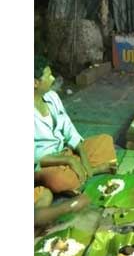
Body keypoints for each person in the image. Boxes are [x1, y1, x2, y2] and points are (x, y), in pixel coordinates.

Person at [34, 55, 118, 195]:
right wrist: (68, 160)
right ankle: (85, 173)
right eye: (48, 76)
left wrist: (82, 156)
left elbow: (68, 128)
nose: (53, 79)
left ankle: (82, 173)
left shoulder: (52, 97)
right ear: (35, 83)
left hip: (65, 152)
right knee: (59, 179)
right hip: (45, 164)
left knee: (105, 141)